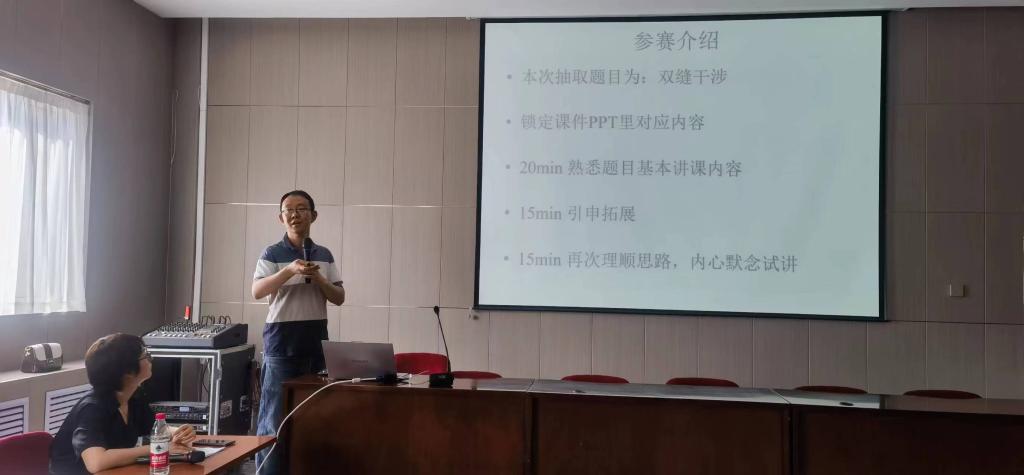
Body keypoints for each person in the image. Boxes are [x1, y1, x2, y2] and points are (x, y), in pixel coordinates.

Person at [252, 190, 344, 474]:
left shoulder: (324, 255)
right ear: (281, 218)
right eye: (288, 210)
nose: (294, 214)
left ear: (313, 216)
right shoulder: (271, 253)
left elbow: (339, 297)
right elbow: (257, 291)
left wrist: (319, 278)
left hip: (316, 346)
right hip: (281, 347)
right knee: (273, 421)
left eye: (301, 209)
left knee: (314, 419)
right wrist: (289, 271)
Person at [49, 333, 196, 474]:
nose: (150, 359)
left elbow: (156, 429)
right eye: (145, 355)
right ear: (128, 372)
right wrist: (159, 448)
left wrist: (178, 432)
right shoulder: (91, 408)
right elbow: (96, 462)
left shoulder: (132, 398)